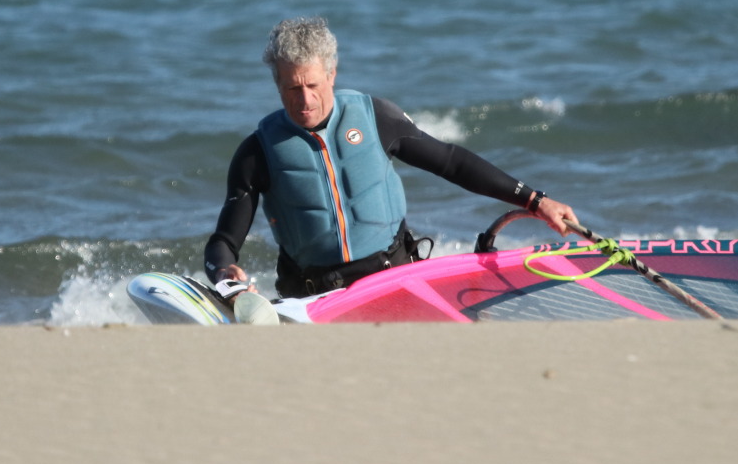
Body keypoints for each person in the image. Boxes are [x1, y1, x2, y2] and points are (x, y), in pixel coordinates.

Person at [205, 17, 580, 297]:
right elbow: (224, 241)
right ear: (277, 84)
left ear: (332, 74)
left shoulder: (375, 118)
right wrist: (225, 274)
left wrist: (535, 200)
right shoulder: (259, 151)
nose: (305, 100)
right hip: (313, 293)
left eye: (313, 85)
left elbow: (452, 162)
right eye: (292, 88)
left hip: (391, 276)